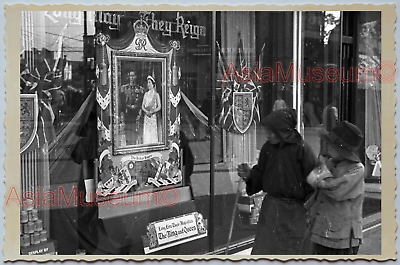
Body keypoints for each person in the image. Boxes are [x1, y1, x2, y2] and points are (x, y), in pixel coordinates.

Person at [237, 108, 318, 255]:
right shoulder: (268, 148)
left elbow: (313, 185)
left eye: (271, 131)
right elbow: (261, 172)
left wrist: (309, 212)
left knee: (291, 252)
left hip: (295, 212)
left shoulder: (302, 150)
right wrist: (250, 175)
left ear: (283, 132)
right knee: (266, 251)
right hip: (272, 209)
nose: (267, 134)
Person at [306, 121, 364, 255]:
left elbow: (334, 190)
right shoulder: (330, 162)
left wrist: (322, 169)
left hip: (342, 237)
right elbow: (313, 181)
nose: (329, 148)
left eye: (333, 146)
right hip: (320, 230)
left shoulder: (357, 169)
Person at [121, 70, 144, 145]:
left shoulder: (140, 89)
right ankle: (128, 145)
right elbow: (122, 102)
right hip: (127, 113)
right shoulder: (124, 88)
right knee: (127, 131)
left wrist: (139, 111)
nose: (132, 77)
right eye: (130, 76)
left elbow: (141, 102)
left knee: (135, 131)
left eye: (133, 75)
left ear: (136, 77)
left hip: (136, 114)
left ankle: (134, 145)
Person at [142, 75, 161, 144]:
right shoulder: (146, 94)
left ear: (153, 84)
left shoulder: (156, 95)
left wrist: (153, 111)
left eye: (150, 82)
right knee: (147, 132)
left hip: (153, 117)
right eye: (148, 83)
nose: (148, 84)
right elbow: (142, 106)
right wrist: (146, 111)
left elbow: (159, 107)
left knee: (153, 132)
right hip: (147, 117)